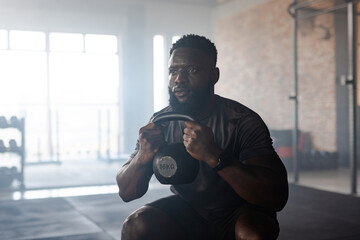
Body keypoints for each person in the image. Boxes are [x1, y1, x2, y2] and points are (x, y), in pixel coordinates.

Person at [116, 34, 288, 240]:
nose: (179, 79)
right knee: (136, 226)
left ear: (214, 75)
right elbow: (127, 193)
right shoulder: (161, 122)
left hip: (240, 210)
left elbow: (276, 197)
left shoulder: (242, 121)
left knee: (253, 234)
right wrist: (142, 157)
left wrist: (214, 156)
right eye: (173, 71)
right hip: (189, 208)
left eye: (193, 70)